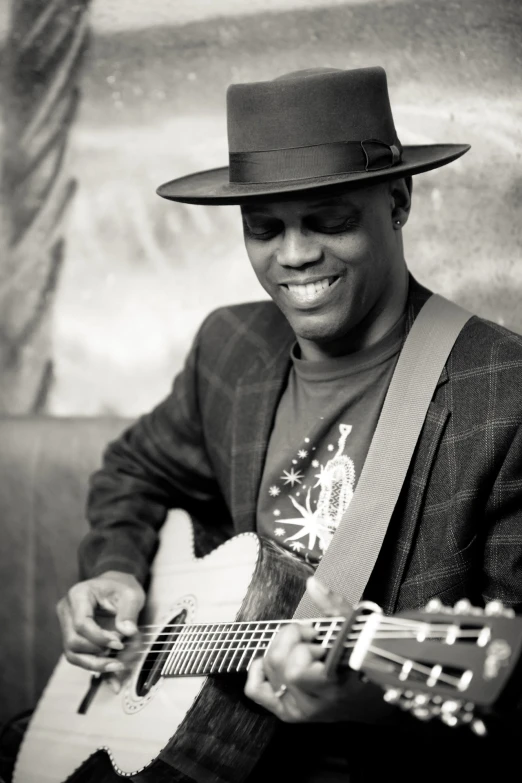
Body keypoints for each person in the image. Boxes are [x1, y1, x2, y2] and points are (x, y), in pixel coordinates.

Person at [56, 67, 522, 780]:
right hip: (204, 747)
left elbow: (510, 673)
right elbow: (134, 468)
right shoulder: (228, 348)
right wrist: (115, 570)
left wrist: (363, 700)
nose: (296, 255)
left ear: (397, 200)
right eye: (265, 228)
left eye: (328, 218)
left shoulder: (504, 390)